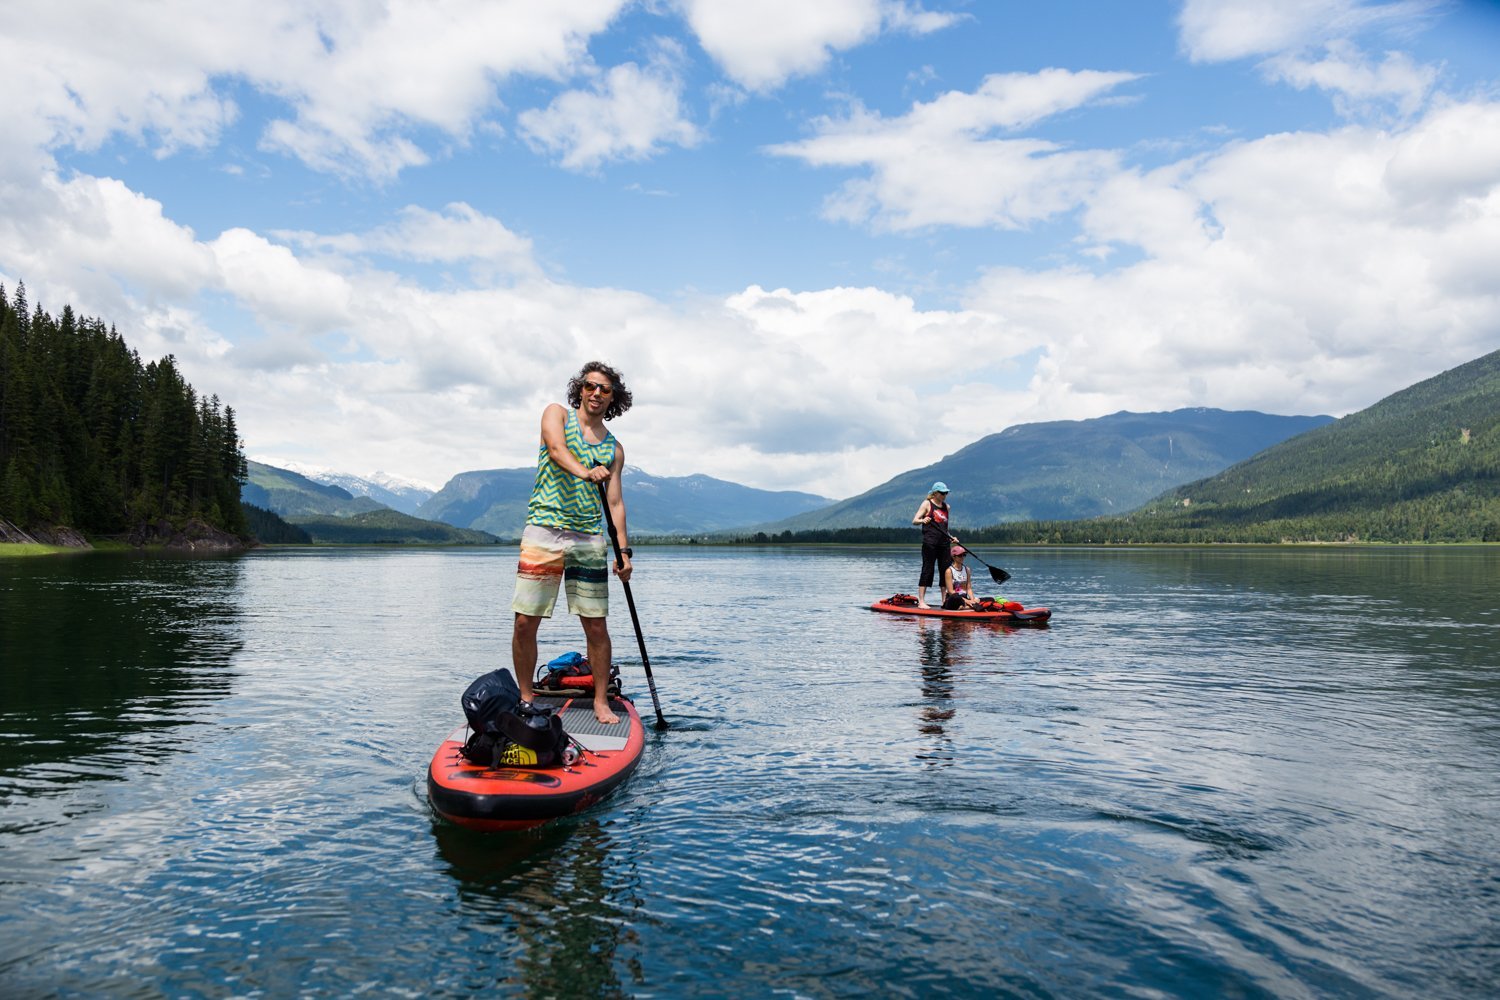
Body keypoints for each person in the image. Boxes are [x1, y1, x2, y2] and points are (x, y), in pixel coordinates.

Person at [511, 361, 633, 725]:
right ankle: (527, 698)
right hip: (544, 530)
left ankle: (600, 701)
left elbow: (614, 503)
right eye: (590, 386)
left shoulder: (614, 449)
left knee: (595, 624)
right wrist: (585, 471)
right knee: (524, 622)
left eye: (605, 389)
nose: (596, 393)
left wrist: (624, 551)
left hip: (589, 537)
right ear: (580, 389)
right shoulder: (556, 415)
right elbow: (555, 450)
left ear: (613, 398)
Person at [911, 482, 958, 609]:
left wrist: (951, 537)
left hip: (944, 544)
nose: (945, 495)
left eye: (946, 493)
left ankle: (944, 601)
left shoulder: (946, 507)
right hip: (930, 543)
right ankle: (921, 601)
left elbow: (944, 528)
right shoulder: (927, 504)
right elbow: (914, 520)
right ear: (935, 493)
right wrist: (922, 520)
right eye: (942, 493)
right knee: (928, 569)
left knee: (945, 571)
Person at [942, 545, 979, 610]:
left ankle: (965, 607)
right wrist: (967, 601)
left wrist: (972, 600)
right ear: (953, 557)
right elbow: (950, 592)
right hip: (953, 599)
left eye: (964, 555)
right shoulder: (949, 571)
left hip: (964, 598)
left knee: (990, 599)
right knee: (956, 597)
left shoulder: (967, 570)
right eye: (960, 555)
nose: (962, 557)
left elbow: (969, 589)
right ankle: (966, 606)